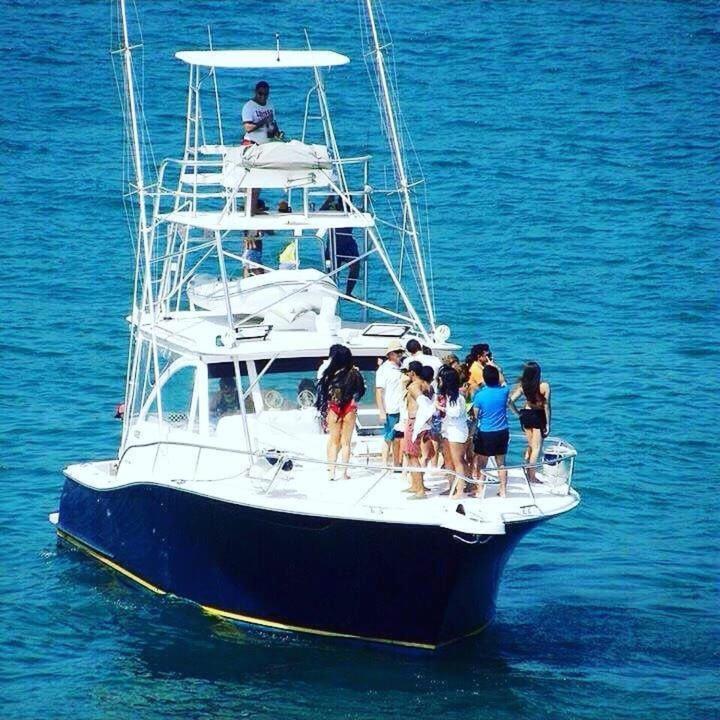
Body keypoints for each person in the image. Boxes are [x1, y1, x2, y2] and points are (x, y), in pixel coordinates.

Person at [316, 346, 366, 481]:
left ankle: (331, 472)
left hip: (334, 408)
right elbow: (361, 391)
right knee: (346, 442)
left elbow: (323, 392)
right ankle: (344, 473)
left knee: (334, 440)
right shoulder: (354, 373)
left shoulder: (329, 373)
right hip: (349, 408)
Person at [509, 361, 551, 485]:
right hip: (538, 416)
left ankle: (527, 469)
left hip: (526, 415)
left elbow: (510, 401)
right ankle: (531, 475)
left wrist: (517, 413)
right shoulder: (544, 386)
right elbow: (546, 407)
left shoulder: (523, 385)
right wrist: (548, 424)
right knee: (537, 448)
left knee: (531, 445)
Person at [472, 365, 510, 497]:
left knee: (481, 462)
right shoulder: (504, 391)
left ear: (484, 379)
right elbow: (503, 380)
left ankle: (480, 489)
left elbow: (476, 415)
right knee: (501, 463)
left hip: (486, 432)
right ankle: (503, 491)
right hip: (502, 431)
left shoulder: (480, 395)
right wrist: (497, 368)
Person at [436, 365, 468, 498]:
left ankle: (460, 490)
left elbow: (454, 413)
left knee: (458, 461)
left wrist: (440, 408)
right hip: (449, 430)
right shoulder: (450, 397)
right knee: (449, 460)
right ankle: (452, 487)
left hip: (457, 431)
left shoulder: (457, 398)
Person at [321, 195, 360, 296]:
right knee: (331, 272)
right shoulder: (333, 208)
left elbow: (363, 214)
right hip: (334, 245)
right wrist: (329, 199)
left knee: (355, 265)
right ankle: (330, 293)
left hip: (348, 244)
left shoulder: (353, 210)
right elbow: (321, 212)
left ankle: (348, 293)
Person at [402, 361, 429, 498]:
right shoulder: (426, 384)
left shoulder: (414, 386)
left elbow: (422, 402)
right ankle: (416, 485)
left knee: (412, 455)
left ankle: (420, 490)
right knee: (411, 454)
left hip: (414, 422)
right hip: (420, 422)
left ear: (412, 372)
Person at [375, 340, 405, 469]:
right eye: (398, 352)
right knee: (389, 437)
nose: (400, 354)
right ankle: (384, 464)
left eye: (401, 352)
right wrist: (382, 411)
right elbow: (379, 391)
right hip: (391, 408)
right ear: (391, 354)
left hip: (402, 408)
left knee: (399, 437)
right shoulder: (383, 370)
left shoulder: (402, 367)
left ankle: (397, 463)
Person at [242, 81, 281, 145]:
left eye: (265, 94)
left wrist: (277, 133)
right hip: (252, 143)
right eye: (260, 93)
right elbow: (247, 128)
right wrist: (263, 122)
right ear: (255, 92)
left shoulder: (270, 105)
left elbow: (273, 124)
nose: (263, 96)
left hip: (267, 143)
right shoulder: (248, 106)